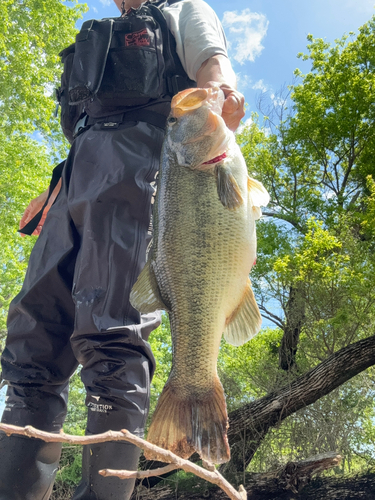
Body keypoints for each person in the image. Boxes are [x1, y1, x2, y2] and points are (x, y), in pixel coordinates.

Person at [0, 0, 245, 498]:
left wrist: (219, 90)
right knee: (31, 338)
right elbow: (86, 126)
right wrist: (55, 193)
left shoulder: (182, 10)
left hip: (144, 166)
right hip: (75, 178)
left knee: (112, 327)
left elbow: (212, 60)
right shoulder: (105, 31)